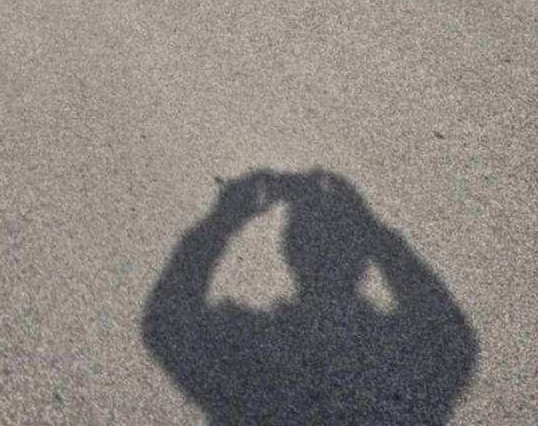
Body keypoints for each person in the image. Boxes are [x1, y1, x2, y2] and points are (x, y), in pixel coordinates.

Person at [143, 169, 477, 424]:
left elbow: (165, 327)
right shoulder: (432, 369)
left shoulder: (249, 353)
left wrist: (224, 218)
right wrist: (372, 229)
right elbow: (447, 331)